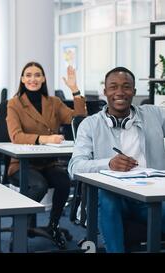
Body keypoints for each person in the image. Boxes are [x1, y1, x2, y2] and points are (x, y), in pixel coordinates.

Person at [68, 67, 165, 253]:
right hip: (109, 199)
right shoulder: (90, 124)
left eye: (126, 87)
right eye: (113, 87)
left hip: (149, 196)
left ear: (134, 92)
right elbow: (74, 167)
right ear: (105, 92)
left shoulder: (154, 115)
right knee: (108, 197)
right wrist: (108, 164)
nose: (120, 92)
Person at [6, 62, 87, 248]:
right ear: (22, 79)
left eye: (37, 75)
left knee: (64, 182)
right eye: (28, 75)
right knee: (38, 185)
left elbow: (79, 120)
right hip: (22, 165)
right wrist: (45, 139)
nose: (33, 79)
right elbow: (16, 136)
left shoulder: (53, 102)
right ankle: (19, 226)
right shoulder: (14, 104)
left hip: (48, 163)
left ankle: (53, 225)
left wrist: (74, 90)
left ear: (43, 79)